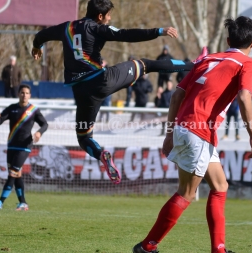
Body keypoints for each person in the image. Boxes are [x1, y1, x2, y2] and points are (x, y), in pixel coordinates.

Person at [31, 0, 202, 184]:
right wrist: (159, 31)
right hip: (102, 82)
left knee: (84, 138)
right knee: (146, 65)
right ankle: (194, 65)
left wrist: (36, 47)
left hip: (81, 93)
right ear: (100, 17)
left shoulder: (67, 27)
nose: (109, 18)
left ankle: (101, 154)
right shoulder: (98, 28)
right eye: (108, 15)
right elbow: (127, 34)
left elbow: (41, 35)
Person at [132, 16, 252, 253]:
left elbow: (177, 95)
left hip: (188, 127)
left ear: (228, 39)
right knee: (187, 193)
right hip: (198, 130)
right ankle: (147, 247)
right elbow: (244, 97)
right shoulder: (247, 64)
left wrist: (169, 133)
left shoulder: (208, 59)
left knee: (220, 186)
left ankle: (218, 249)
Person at [0, 84, 48, 211]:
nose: (24, 95)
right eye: (22, 92)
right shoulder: (12, 108)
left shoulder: (34, 110)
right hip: (12, 146)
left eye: (27, 93)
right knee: (16, 175)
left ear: (30, 95)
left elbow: (45, 124)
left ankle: (0, 201)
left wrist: (39, 132)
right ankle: (23, 202)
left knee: (12, 173)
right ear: (18, 94)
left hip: (25, 146)